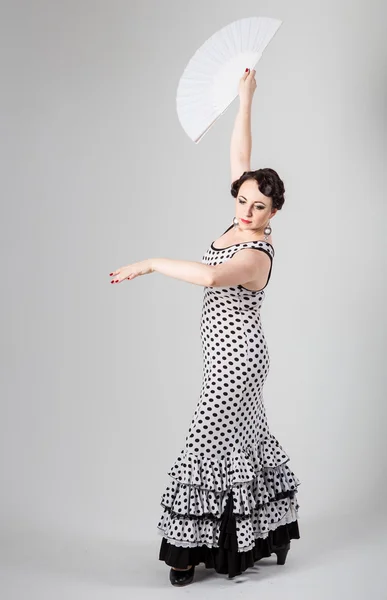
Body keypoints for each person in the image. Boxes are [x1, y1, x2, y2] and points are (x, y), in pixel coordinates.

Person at [109, 68, 301, 586]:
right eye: (242, 199)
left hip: (236, 362)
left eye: (259, 206)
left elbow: (212, 275)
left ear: (273, 212)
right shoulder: (241, 211)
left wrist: (150, 262)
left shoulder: (256, 253)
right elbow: (241, 158)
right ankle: (267, 536)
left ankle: (187, 551)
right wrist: (246, 99)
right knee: (244, 440)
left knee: (207, 443)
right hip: (223, 355)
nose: (246, 210)